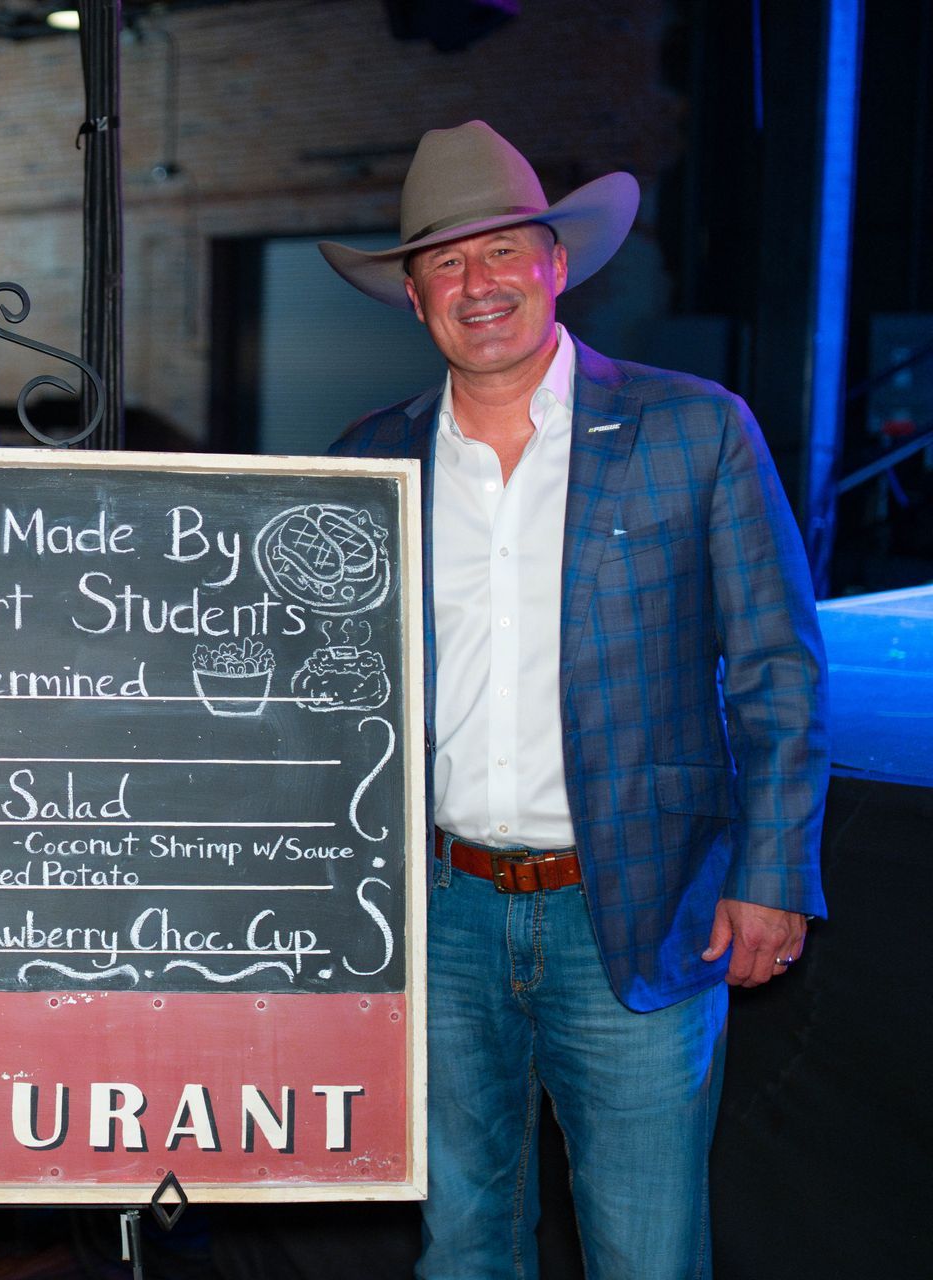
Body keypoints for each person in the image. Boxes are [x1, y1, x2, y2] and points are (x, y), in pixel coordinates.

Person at [319, 122, 827, 1278]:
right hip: (439, 913)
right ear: (412, 298)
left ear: (558, 262)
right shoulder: (365, 464)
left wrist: (772, 871)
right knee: (462, 1243)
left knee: (647, 1252)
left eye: (503, 250)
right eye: (446, 262)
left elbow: (776, 668)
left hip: (643, 907)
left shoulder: (695, 429)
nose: (478, 282)